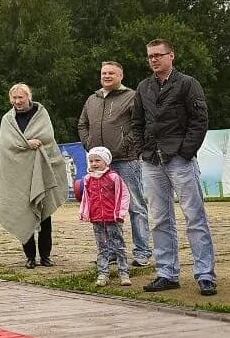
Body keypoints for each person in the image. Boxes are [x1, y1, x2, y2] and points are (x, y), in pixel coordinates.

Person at [131, 39, 217, 296]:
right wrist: (141, 149)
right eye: (150, 56)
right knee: (159, 219)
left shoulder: (188, 83)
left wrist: (185, 151)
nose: (154, 60)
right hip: (152, 160)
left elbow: (199, 120)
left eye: (158, 55)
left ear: (171, 56)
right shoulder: (144, 86)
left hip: (179, 158)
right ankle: (167, 273)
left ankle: (205, 274)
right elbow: (136, 122)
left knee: (195, 217)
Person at [78, 61, 151, 266]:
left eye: (111, 73)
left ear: (121, 76)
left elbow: (140, 125)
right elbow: (82, 124)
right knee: (103, 208)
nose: (107, 76)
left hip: (126, 159)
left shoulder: (132, 96)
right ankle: (110, 252)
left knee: (135, 206)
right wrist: (89, 144)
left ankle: (142, 251)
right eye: (104, 73)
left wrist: (131, 146)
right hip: (100, 166)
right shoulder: (92, 99)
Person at [0, 83, 68, 268]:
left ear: (29, 97)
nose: (17, 101)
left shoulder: (41, 114)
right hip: (19, 175)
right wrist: (26, 144)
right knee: (23, 212)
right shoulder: (7, 120)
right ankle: (30, 257)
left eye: (21, 97)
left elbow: (47, 137)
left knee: (45, 215)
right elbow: (7, 145)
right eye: (14, 98)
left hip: (42, 172)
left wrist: (36, 143)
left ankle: (45, 256)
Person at [79, 146, 132, 287]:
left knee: (118, 246)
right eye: (91, 161)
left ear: (106, 161)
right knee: (102, 247)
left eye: (98, 160)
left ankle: (124, 273)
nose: (94, 164)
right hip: (96, 219)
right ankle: (103, 274)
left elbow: (123, 196)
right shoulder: (87, 179)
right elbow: (86, 198)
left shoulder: (113, 177)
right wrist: (85, 213)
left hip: (113, 219)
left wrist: (120, 213)